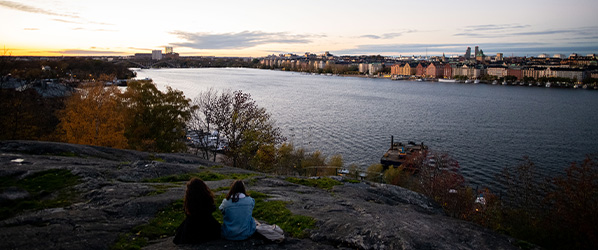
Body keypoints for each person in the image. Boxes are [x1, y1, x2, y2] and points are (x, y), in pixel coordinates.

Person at [173, 178, 221, 244]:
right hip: (206, 224)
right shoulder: (206, 199)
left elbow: (187, 212)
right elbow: (212, 208)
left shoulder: (189, 201)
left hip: (191, 226)